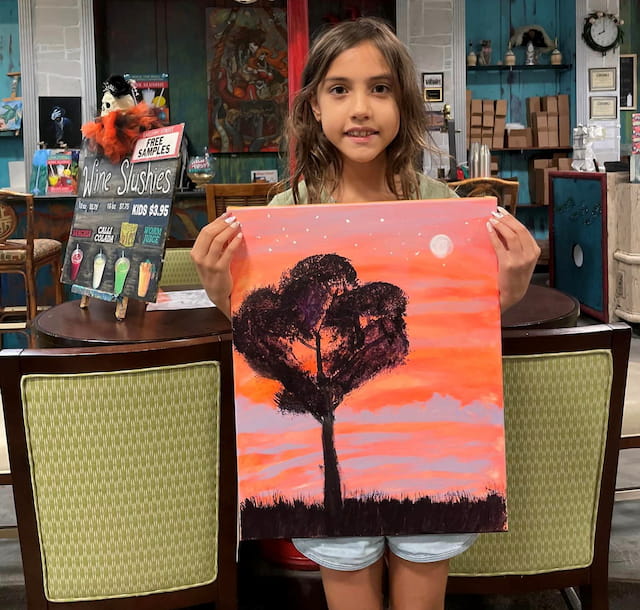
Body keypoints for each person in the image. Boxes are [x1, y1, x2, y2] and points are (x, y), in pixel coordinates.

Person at [192, 17, 540, 610]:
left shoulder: (443, 208)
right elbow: (266, 339)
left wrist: (509, 286)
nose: (360, 108)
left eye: (380, 89)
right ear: (312, 108)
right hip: (324, 456)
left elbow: (460, 329)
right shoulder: (284, 213)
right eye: (339, 89)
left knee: (422, 582)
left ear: (403, 103)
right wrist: (220, 288)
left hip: (427, 449)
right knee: (347, 575)